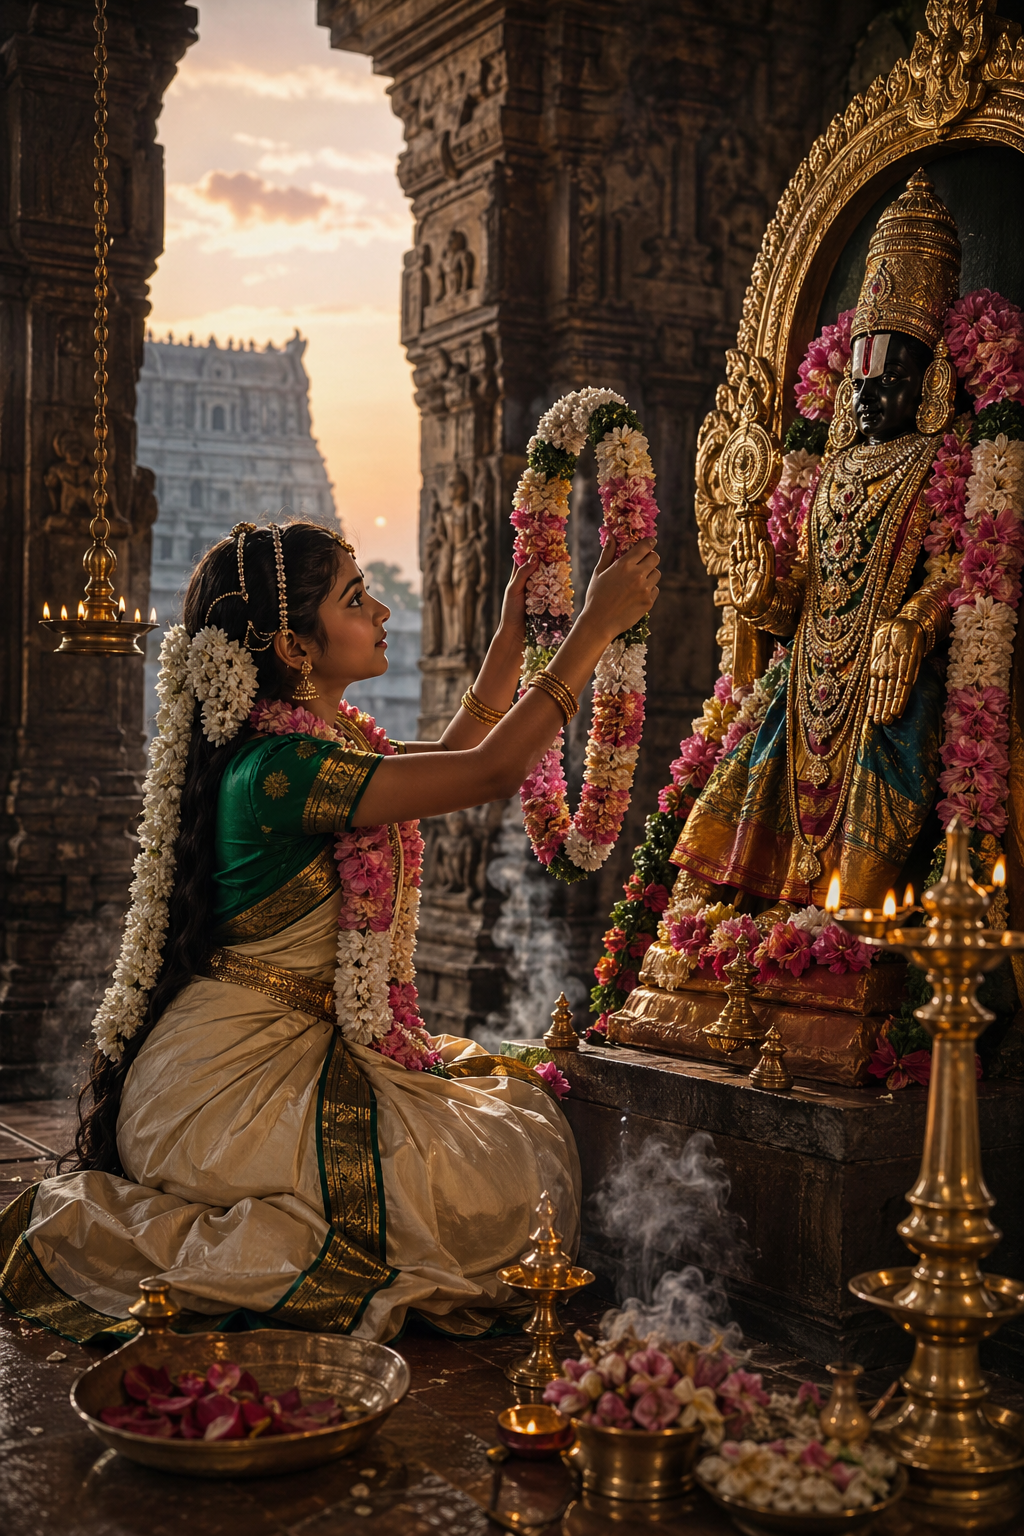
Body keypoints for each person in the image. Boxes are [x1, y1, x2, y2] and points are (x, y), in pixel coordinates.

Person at [0, 520, 659, 1342]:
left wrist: (506, 639)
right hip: (227, 1086)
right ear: (293, 644)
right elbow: (489, 772)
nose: (381, 609)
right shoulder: (278, 770)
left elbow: (458, 750)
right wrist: (594, 629)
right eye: (355, 598)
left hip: (293, 1042)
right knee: (487, 1186)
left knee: (512, 1127)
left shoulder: (323, 745)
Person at [671, 171, 961, 910]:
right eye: (858, 375)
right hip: (805, 677)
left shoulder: (938, 461)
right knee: (741, 795)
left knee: (889, 807)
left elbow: (960, 567)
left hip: (889, 675)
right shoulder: (828, 475)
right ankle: (759, 937)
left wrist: (914, 621)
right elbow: (801, 591)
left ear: (927, 385)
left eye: (888, 376)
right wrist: (762, 585)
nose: (866, 394)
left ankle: (849, 942)